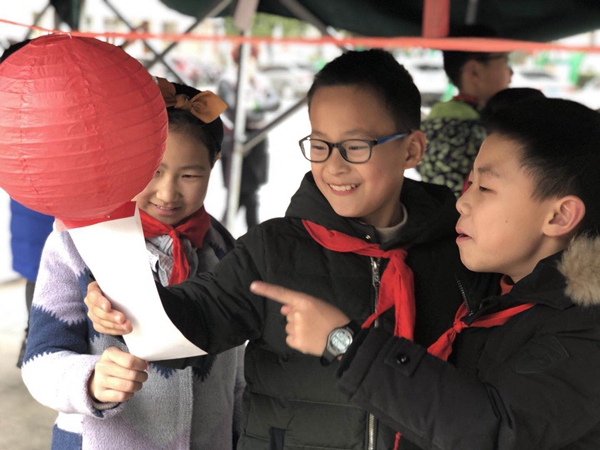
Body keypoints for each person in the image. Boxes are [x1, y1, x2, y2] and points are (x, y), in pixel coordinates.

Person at [85, 49, 474, 449]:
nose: (334, 166)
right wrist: (128, 305)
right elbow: (198, 314)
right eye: (320, 145)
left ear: (411, 150)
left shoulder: (462, 257)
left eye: (356, 146)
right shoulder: (274, 250)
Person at [250, 97, 600, 449]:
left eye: (485, 188)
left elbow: (493, 431)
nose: (463, 202)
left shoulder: (586, 328)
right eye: (469, 184)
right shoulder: (491, 290)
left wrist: (346, 343)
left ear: (559, 217)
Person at [20, 78, 245, 450]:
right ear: (122, 160)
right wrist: (91, 381)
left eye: (190, 175)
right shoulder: (77, 242)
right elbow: (40, 362)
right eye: (152, 171)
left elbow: (235, 370)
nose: (167, 193)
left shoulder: (224, 249)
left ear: (214, 163)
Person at [1, 39, 55, 369]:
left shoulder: (11, 106)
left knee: (40, 278)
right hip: (38, 209)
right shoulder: (46, 107)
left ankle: (32, 340)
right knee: (44, 278)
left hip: (31, 211)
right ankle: (36, 341)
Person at [418, 25, 513, 197]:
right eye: (505, 60)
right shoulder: (470, 131)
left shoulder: (437, 121)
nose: (511, 72)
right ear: (474, 71)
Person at [218, 45, 280, 228]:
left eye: (253, 61)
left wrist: (254, 105)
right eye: (247, 61)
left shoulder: (259, 81)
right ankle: (249, 231)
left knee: (248, 192)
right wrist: (257, 107)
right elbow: (235, 109)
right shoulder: (228, 81)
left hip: (257, 139)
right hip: (236, 137)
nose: (250, 65)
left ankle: (223, 232)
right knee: (243, 192)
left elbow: (274, 103)